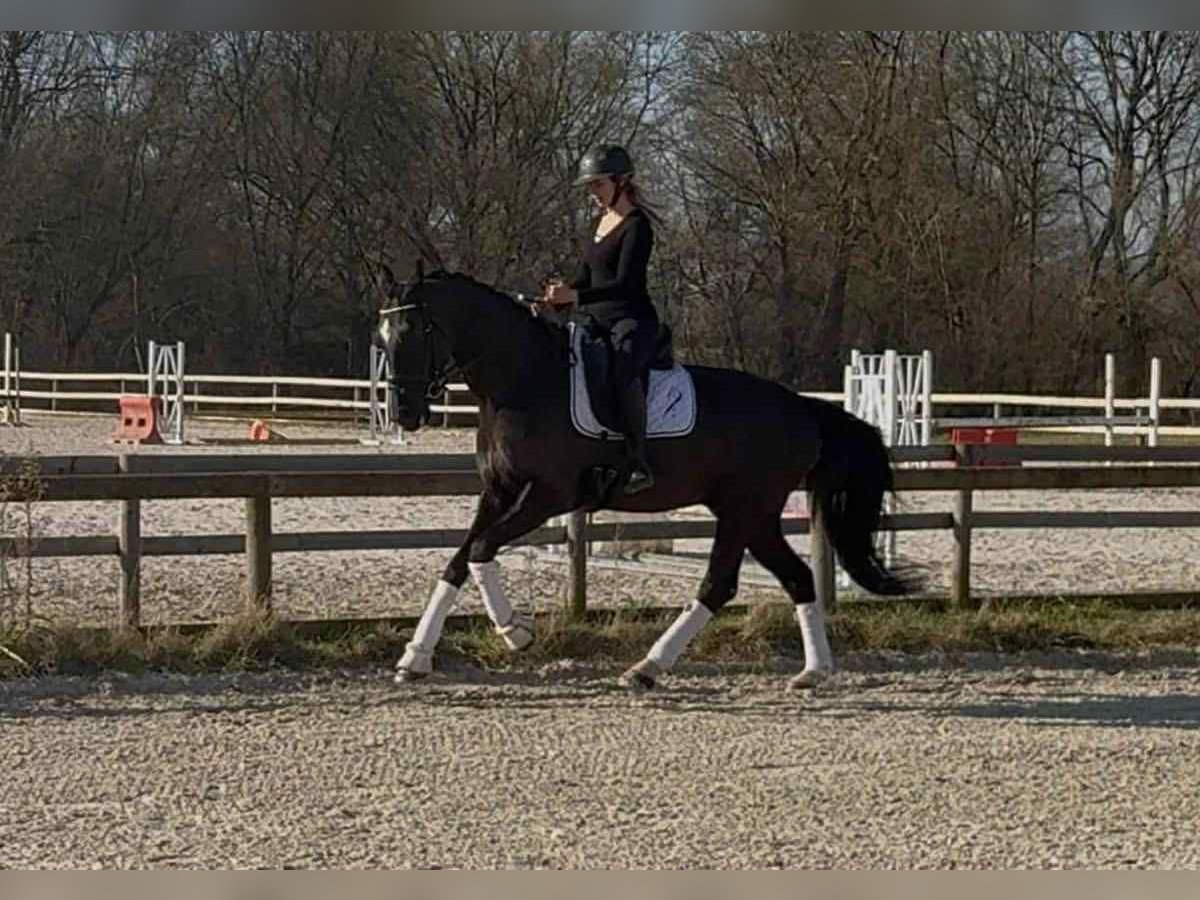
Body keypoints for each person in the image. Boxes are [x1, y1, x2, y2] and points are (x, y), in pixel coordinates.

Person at [543, 144, 662, 495]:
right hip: (593, 319)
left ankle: (638, 460)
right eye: (590, 186)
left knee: (623, 370)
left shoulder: (638, 227)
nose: (592, 192)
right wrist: (561, 293)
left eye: (597, 184)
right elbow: (586, 276)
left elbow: (625, 283)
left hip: (630, 319)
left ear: (621, 181)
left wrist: (576, 296)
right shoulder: (599, 223)